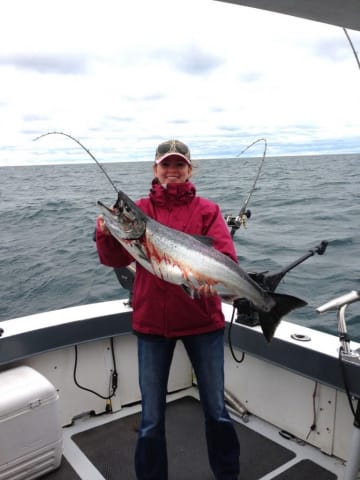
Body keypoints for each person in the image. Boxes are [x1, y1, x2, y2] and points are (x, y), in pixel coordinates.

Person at [95, 139, 240, 480]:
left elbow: (227, 259)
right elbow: (112, 258)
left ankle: (228, 475)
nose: (172, 171)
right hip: (152, 325)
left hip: (203, 321)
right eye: (166, 165)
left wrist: (209, 282)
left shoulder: (208, 210)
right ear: (155, 169)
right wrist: (104, 233)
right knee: (151, 419)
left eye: (179, 165)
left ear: (190, 170)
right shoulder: (139, 211)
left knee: (217, 411)